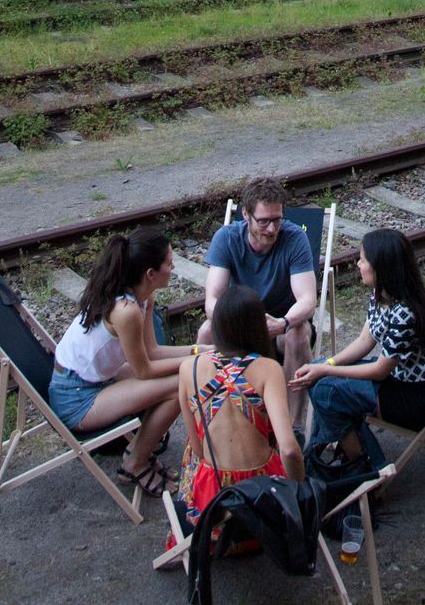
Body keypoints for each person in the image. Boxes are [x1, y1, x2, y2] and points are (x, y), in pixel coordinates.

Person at [294, 228, 425, 470]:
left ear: (381, 266)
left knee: (325, 393)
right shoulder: (381, 294)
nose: (358, 264)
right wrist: (327, 365)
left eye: (363, 259)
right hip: (396, 378)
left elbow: (379, 370)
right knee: (319, 374)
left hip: (414, 396)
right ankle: (336, 449)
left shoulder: (405, 313)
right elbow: (364, 341)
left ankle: (365, 467)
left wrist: (327, 372)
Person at [48, 226, 189, 497]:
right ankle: (135, 463)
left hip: (97, 379)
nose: (173, 267)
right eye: (169, 263)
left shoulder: (142, 294)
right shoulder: (125, 311)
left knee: (181, 374)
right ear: (150, 273)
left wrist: (202, 349)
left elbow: (153, 350)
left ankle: (138, 451)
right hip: (77, 398)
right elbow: (145, 370)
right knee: (181, 382)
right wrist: (195, 360)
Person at [177, 284, 305, 533]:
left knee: (192, 452)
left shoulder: (188, 368)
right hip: (260, 503)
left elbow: (197, 449)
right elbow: (289, 450)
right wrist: (299, 494)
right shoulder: (268, 369)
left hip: (212, 507)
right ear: (258, 327)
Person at [202, 177, 317, 414]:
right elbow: (212, 301)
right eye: (264, 221)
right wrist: (242, 323)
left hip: (281, 324)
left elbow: (307, 301)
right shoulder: (227, 238)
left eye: (277, 219)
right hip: (240, 321)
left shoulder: (295, 238)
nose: (272, 229)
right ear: (246, 214)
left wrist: (283, 323)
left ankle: (290, 423)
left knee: (298, 333)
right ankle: (211, 415)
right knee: (206, 331)